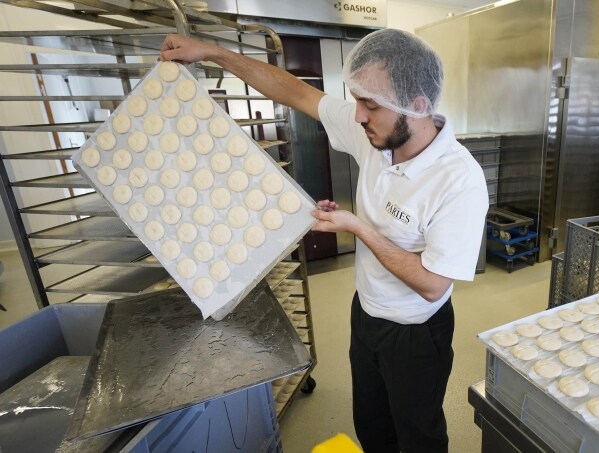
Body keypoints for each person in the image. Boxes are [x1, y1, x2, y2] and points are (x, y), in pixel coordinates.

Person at [161, 28, 488, 452]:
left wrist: (359, 228)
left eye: (370, 105)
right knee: (372, 426)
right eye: (356, 102)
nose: (357, 117)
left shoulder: (458, 180)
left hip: (415, 332)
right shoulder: (374, 137)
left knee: (418, 435)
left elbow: (432, 285)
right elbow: (295, 93)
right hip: (366, 313)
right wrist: (211, 52)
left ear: (418, 105)